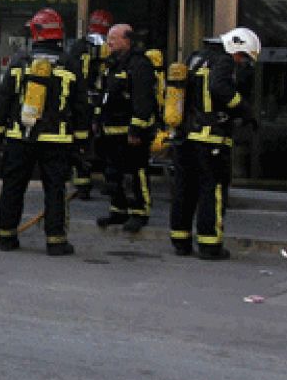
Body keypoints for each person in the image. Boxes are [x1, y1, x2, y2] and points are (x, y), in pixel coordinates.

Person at [0, 7, 90, 256]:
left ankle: (6, 237)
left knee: (13, 187)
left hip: (19, 136)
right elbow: (80, 107)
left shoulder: (20, 61)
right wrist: (81, 142)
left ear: (36, 33)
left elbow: (3, 99)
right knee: (55, 189)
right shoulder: (70, 64)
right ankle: (56, 241)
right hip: (57, 139)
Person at [170, 27, 260, 260]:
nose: (241, 62)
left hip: (186, 137)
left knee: (184, 190)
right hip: (211, 140)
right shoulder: (224, 61)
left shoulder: (195, 57)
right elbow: (220, 88)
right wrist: (246, 110)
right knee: (213, 190)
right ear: (235, 47)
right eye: (243, 56)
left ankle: (181, 241)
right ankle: (210, 245)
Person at [93, 23, 159, 233]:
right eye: (108, 37)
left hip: (131, 133)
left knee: (135, 173)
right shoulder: (112, 64)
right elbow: (103, 96)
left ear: (127, 40)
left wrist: (136, 129)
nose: (109, 41)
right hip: (111, 130)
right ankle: (118, 210)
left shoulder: (140, 64)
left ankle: (139, 213)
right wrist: (97, 120)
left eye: (113, 37)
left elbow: (143, 100)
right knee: (113, 173)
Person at [65, 8, 113, 199]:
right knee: (107, 142)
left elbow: (72, 72)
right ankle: (110, 183)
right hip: (104, 100)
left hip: (83, 102)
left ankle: (83, 185)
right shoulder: (110, 47)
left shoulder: (78, 47)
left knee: (81, 141)